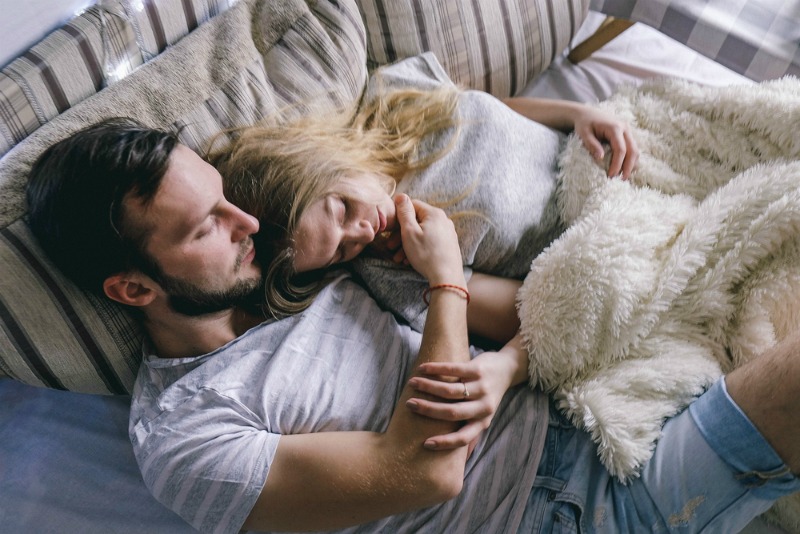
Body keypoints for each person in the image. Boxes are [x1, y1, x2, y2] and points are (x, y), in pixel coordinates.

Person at [26, 122, 799, 534]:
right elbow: (426, 472)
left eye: (226, 195)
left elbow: (541, 308)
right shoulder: (187, 440)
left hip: (595, 408)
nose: (246, 221)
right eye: (206, 228)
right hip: (562, 512)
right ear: (132, 287)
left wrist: (497, 352)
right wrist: (441, 282)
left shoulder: (297, 273)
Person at [210, 53, 638, 349]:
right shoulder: (392, 267)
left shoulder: (393, 93)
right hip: (599, 238)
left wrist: (576, 113)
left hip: (597, 149)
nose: (361, 233)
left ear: (319, 161)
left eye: (341, 209)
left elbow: (492, 111)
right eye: (340, 250)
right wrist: (441, 268)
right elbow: (537, 312)